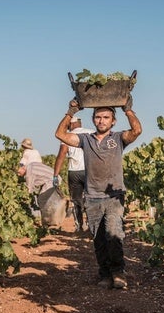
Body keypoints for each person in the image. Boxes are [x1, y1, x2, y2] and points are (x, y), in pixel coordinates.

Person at [55, 94, 142, 290]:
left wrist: (128, 109)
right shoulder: (85, 139)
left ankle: (118, 273)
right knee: (99, 239)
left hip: (114, 197)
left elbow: (137, 130)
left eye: (105, 118)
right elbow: (60, 134)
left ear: (113, 121)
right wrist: (71, 112)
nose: (101, 121)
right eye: (97, 117)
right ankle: (104, 274)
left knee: (114, 233)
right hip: (92, 197)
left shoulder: (119, 138)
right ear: (93, 119)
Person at [53, 117, 93, 232]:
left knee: (76, 200)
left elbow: (62, 154)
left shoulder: (67, 136)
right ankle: (91, 225)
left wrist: (56, 174)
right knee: (90, 198)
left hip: (74, 172)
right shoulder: (90, 132)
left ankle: (79, 227)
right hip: (89, 170)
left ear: (71, 124)